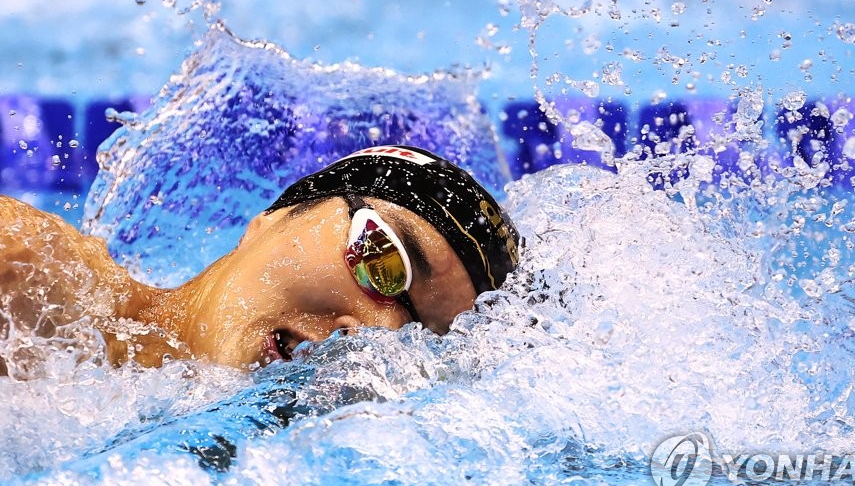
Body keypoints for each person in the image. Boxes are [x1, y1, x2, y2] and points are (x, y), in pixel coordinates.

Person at [0, 145, 521, 376]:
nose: (378, 331)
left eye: (417, 336)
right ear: (275, 217)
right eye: (383, 259)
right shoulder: (28, 272)